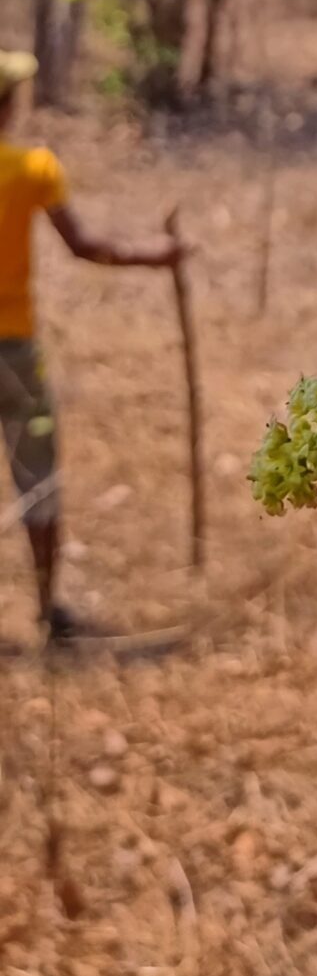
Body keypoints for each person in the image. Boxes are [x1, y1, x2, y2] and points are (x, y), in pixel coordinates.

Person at [0, 49, 179, 641]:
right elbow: (84, 245)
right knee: (37, 476)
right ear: (12, 103)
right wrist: (156, 255)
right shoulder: (32, 170)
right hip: (15, 350)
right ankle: (49, 611)